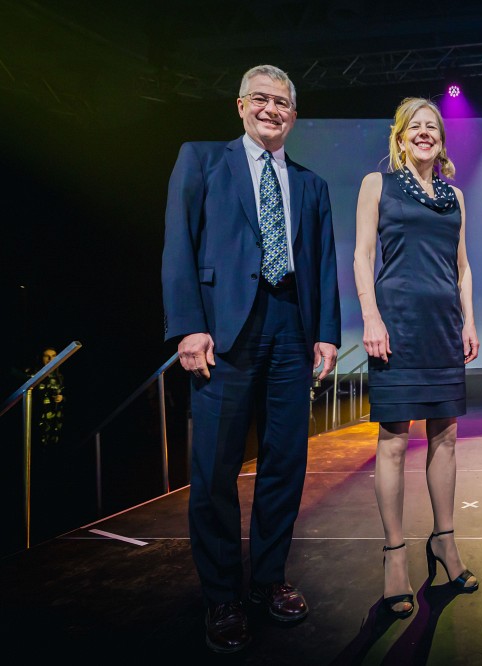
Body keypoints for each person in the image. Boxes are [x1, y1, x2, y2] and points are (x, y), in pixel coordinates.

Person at [161, 64, 341, 653]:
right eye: (261, 99)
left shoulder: (311, 185)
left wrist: (327, 334)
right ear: (240, 106)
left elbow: (324, 266)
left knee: (286, 464)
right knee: (213, 471)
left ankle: (267, 581)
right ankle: (221, 597)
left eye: (282, 102)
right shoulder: (201, 160)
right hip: (223, 332)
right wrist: (188, 326)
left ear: (293, 112)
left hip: (291, 328)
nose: (272, 109)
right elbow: (178, 246)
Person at [353, 97, 480, 618]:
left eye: (433, 127)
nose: (425, 134)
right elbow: (362, 255)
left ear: (441, 140)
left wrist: (469, 319)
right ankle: (395, 555)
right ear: (401, 137)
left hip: (444, 327)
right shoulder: (375, 184)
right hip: (397, 325)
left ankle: (444, 542)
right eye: (416, 127)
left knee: (445, 436)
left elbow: (463, 266)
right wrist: (371, 317)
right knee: (392, 439)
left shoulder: (455, 196)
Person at [33, 346, 65, 449]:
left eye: (53, 356)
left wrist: (61, 398)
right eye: (47, 356)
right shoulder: (34, 375)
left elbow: (67, 397)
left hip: (56, 422)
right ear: (41, 358)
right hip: (37, 422)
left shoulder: (59, 376)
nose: (50, 360)